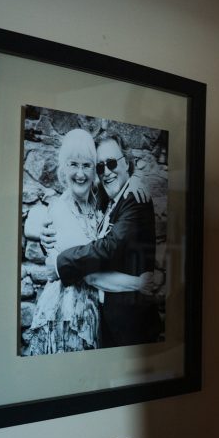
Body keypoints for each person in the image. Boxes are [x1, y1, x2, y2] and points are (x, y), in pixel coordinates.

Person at [52, 135, 162, 348]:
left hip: (131, 325)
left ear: (127, 163)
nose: (107, 172)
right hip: (107, 322)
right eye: (100, 167)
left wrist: (60, 262)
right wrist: (36, 226)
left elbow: (110, 247)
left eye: (112, 163)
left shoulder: (135, 201)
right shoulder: (108, 198)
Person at [21, 129, 106, 354]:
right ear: (63, 168)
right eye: (73, 164)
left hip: (92, 306)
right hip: (67, 311)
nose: (80, 174)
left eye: (86, 165)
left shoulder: (97, 205)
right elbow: (89, 265)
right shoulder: (59, 209)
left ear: (95, 168)